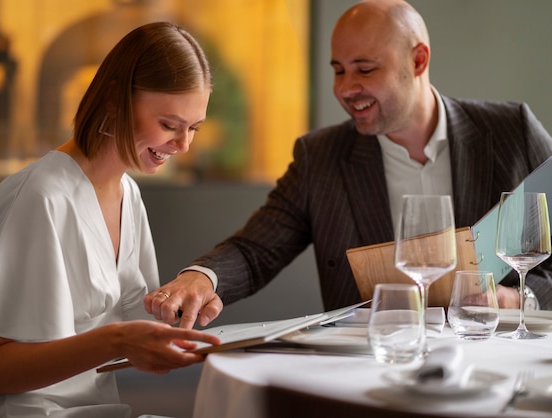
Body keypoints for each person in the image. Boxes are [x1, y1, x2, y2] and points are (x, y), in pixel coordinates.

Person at [144, 0, 552, 330]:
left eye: (365, 69)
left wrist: (518, 299)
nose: (345, 88)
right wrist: (203, 277)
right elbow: (256, 250)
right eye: (338, 70)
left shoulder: (511, 132)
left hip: (500, 370)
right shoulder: (320, 157)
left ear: (419, 60)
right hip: (366, 377)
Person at [0, 22, 220, 417]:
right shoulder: (39, 196)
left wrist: (177, 308)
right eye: (169, 125)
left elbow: (132, 322)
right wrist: (114, 341)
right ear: (115, 98)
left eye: (193, 129)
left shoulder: (128, 193)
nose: (183, 146)